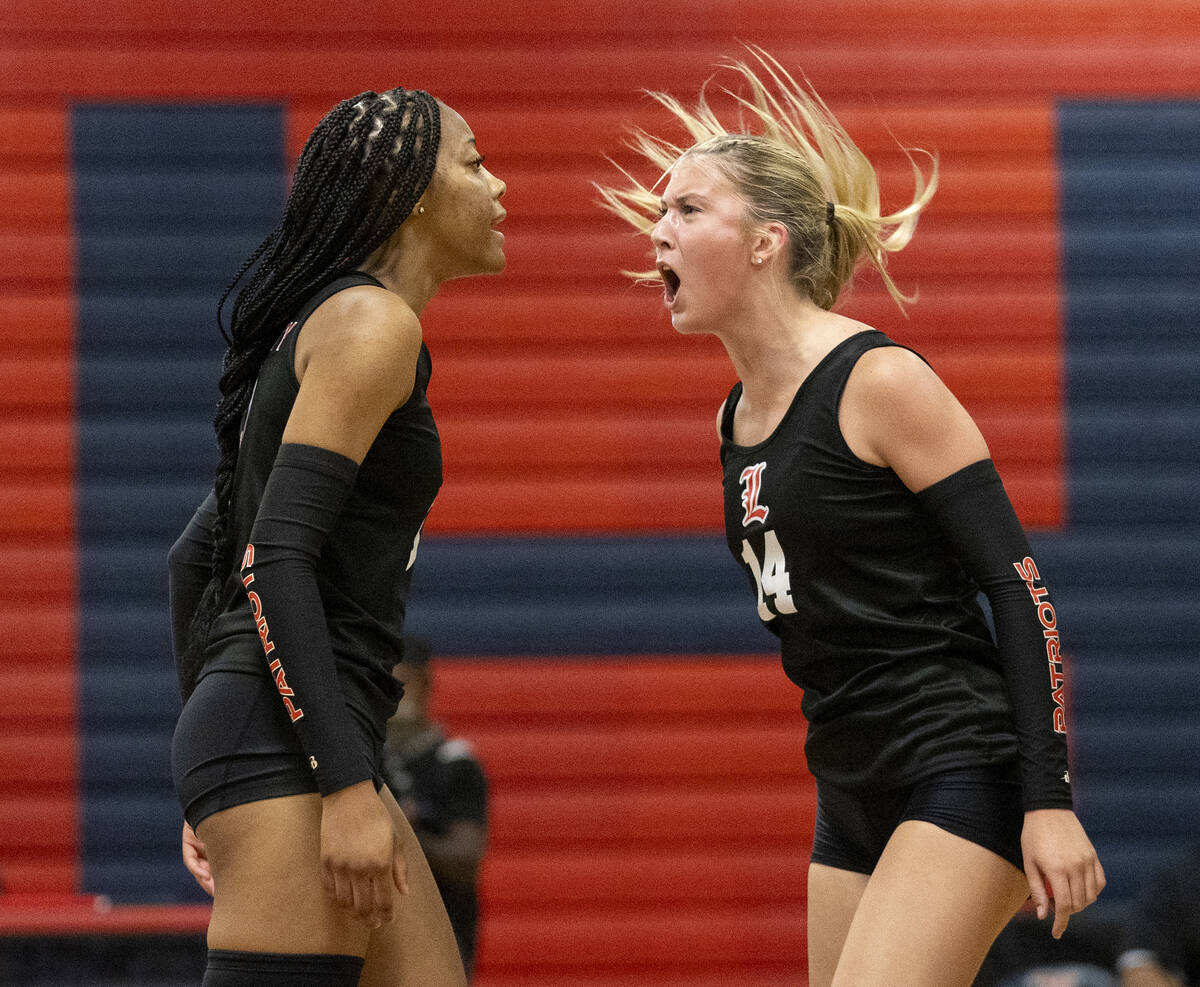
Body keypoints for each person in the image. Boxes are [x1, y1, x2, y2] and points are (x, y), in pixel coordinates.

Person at [598, 48, 1105, 986]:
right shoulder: (734, 416)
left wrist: (1049, 795)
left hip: (961, 765)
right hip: (849, 783)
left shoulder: (878, 380)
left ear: (766, 241)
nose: (656, 232)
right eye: (663, 210)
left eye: (687, 209)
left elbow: (1019, 588)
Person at [167, 86, 506, 986]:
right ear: (411, 191)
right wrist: (341, 783)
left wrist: (208, 753)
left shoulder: (331, 323)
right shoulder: (371, 323)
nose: (500, 185)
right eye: (475, 162)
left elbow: (193, 558)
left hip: (290, 737)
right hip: (294, 749)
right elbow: (272, 558)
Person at [380, 636, 488, 980]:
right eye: (386, 683)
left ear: (425, 683)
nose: (396, 694)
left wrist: (405, 836)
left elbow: (465, 860)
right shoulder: (360, 764)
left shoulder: (455, 763)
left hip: (442, 937)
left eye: (405, 682)